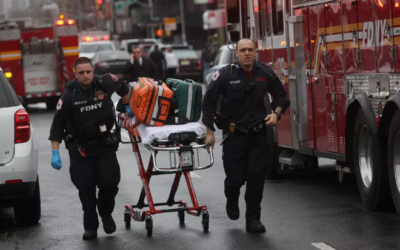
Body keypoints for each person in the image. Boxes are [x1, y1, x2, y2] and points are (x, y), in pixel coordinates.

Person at [202, 38, 290, 233]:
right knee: (235, 178)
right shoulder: (225, 75)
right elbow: (208, 101)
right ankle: (231, 198)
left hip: (258, 135)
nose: (247, 53)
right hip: (234, 136)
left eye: (250, 49)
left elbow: (282, 96)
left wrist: (276, 113)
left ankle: (253, 220)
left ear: (255, 51)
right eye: (243, 50)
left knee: (256, 178)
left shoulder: (265, 72)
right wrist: (209, 132)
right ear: (237, 53)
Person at [48, 57, 134, 240]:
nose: (86, 76)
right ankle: (90, 227)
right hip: (80, 148)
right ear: (75, 73)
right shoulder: (69, 96)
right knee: (86, 190)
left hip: (104, 145)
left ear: (92, 70)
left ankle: (105, 213)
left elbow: (123, 86)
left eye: (88, 72)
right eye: (81, 73)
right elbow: (56, 128)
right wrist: (55, 152)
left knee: (109, 184)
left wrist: (127, 106)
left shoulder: (105, 82)